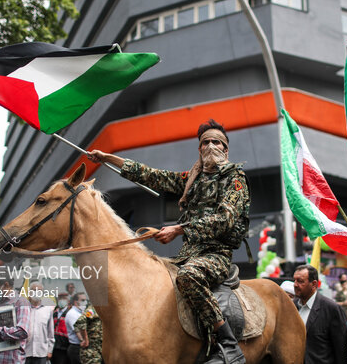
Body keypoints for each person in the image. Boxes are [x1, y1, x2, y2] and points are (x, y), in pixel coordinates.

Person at [88, 118, 250, 364]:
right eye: (205, 142)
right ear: (199, 149)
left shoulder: (235, 178)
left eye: (217, 142)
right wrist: (108, 158)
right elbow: (151, 176)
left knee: (188, 277)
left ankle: (228, 344)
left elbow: (225, 219)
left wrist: (178, 229)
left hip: (216, 254)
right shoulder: (191, 178)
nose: (210, 146)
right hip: (187, 254)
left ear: (226, 149)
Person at [293, 265, 347, 364]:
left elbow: (341, 349)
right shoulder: (292, 307)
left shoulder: (331, 309)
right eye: (295, 280)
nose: (295, 285)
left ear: (314, 284)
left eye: (300, 281)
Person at [25, 282, 54, 364]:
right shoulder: (23, 309)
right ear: (29, 292)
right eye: (34, 290)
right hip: (25, 351)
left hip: (41, 353)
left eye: (39, 290)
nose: (37, 292)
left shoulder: (48, 310)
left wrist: (50, 350)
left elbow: (50, 333)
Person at [65, 292, 87, 364]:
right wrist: (83, 341)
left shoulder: (82, 312)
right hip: (77, 347)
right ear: (75, 302)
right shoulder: (72, 313)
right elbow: (77, 330)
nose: (85, 302)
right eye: (82, 300)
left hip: (83, 346)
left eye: (85, 300)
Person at [51, 292, 70, 364]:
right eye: (60, 298)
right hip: (54, 346)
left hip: (64, 346)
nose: (62, 300)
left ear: (68, 300)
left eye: (64, 298)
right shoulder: (54, 313)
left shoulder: (69, 313)